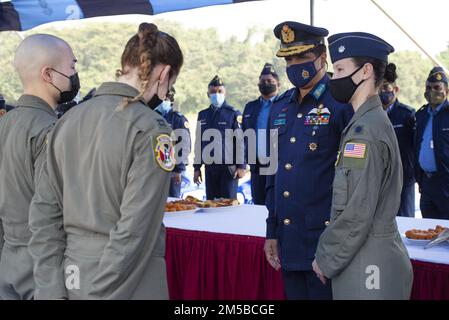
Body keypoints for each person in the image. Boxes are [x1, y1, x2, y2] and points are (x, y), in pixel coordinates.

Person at [28, 22, 183, 299]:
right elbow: (134, 233)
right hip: (127, 285)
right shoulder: (152, 130)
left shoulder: (67, 121)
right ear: (165, 73)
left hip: (70, 276)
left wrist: (51, 290)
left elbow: (43, 217)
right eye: (171, 84)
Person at [313, 32, 413, 300]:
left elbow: (357, 212)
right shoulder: (370, 121)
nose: (334, 78)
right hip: (373, 258)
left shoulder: (364, 131)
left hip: (367, 266)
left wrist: (326, 257)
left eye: (340, 69)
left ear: (365, 71)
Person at [263, 21, 353, 300]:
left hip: (325, 241)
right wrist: (271, 230)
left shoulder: (342, 103)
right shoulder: (280, 106)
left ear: (322, 58)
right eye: (288, 58)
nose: (294, 64)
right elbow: (272, 171)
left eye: (301, 57)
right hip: (288, 239)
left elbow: (355, 175)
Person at [0, 34, 79, 299]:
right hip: (42, 267)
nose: (75, 75)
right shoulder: (49, 130)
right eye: (72, 66)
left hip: (7, 259)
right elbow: (54, 211)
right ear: (48, 73)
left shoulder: (5, 124)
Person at [193, 75, 246, 200]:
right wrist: (196, 168)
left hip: (229, 169)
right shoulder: (203, 115)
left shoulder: (233, 113)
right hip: (210, 168)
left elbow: (240, 142)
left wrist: (241, 166)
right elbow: (199, 143)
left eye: (219, 91)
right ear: (208, 94)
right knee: (211, 204)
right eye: (213, 92)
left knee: (228, 205)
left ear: (225, 93)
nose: (216, 94)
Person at [379, 63, 416, 217]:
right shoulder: (374, 115)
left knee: (405, 219)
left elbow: (416, 146)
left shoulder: (407, 114)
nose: (383, 91)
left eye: (386, 87)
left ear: (396, 89)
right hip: (380, 178)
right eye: (380, 88)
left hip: (404, 178)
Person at [242, 63, 280, 205]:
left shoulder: (285, 105)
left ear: (278, 84)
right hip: (256, 166)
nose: (265, 84)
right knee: (258, 204)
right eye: (262, 81)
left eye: (270, 81)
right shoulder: (250, 107)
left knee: (276, 205)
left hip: (277, 166)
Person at [414, 67, 449, 220]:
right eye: (428, 87)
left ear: (446, 90)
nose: (432, 91)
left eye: (437, 88)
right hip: (426, 184)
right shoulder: (420, 115)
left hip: (446, 185)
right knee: (428, 231)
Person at [156, 87, 191, 198]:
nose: (163, 101)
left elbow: (184, 147)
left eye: (166, 98)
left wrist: (178, 170)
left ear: (171, 100)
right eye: (161, 98)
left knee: (173, 203)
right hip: (154, 170)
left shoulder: (178, 119)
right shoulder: (152, 117)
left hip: (172, 171)